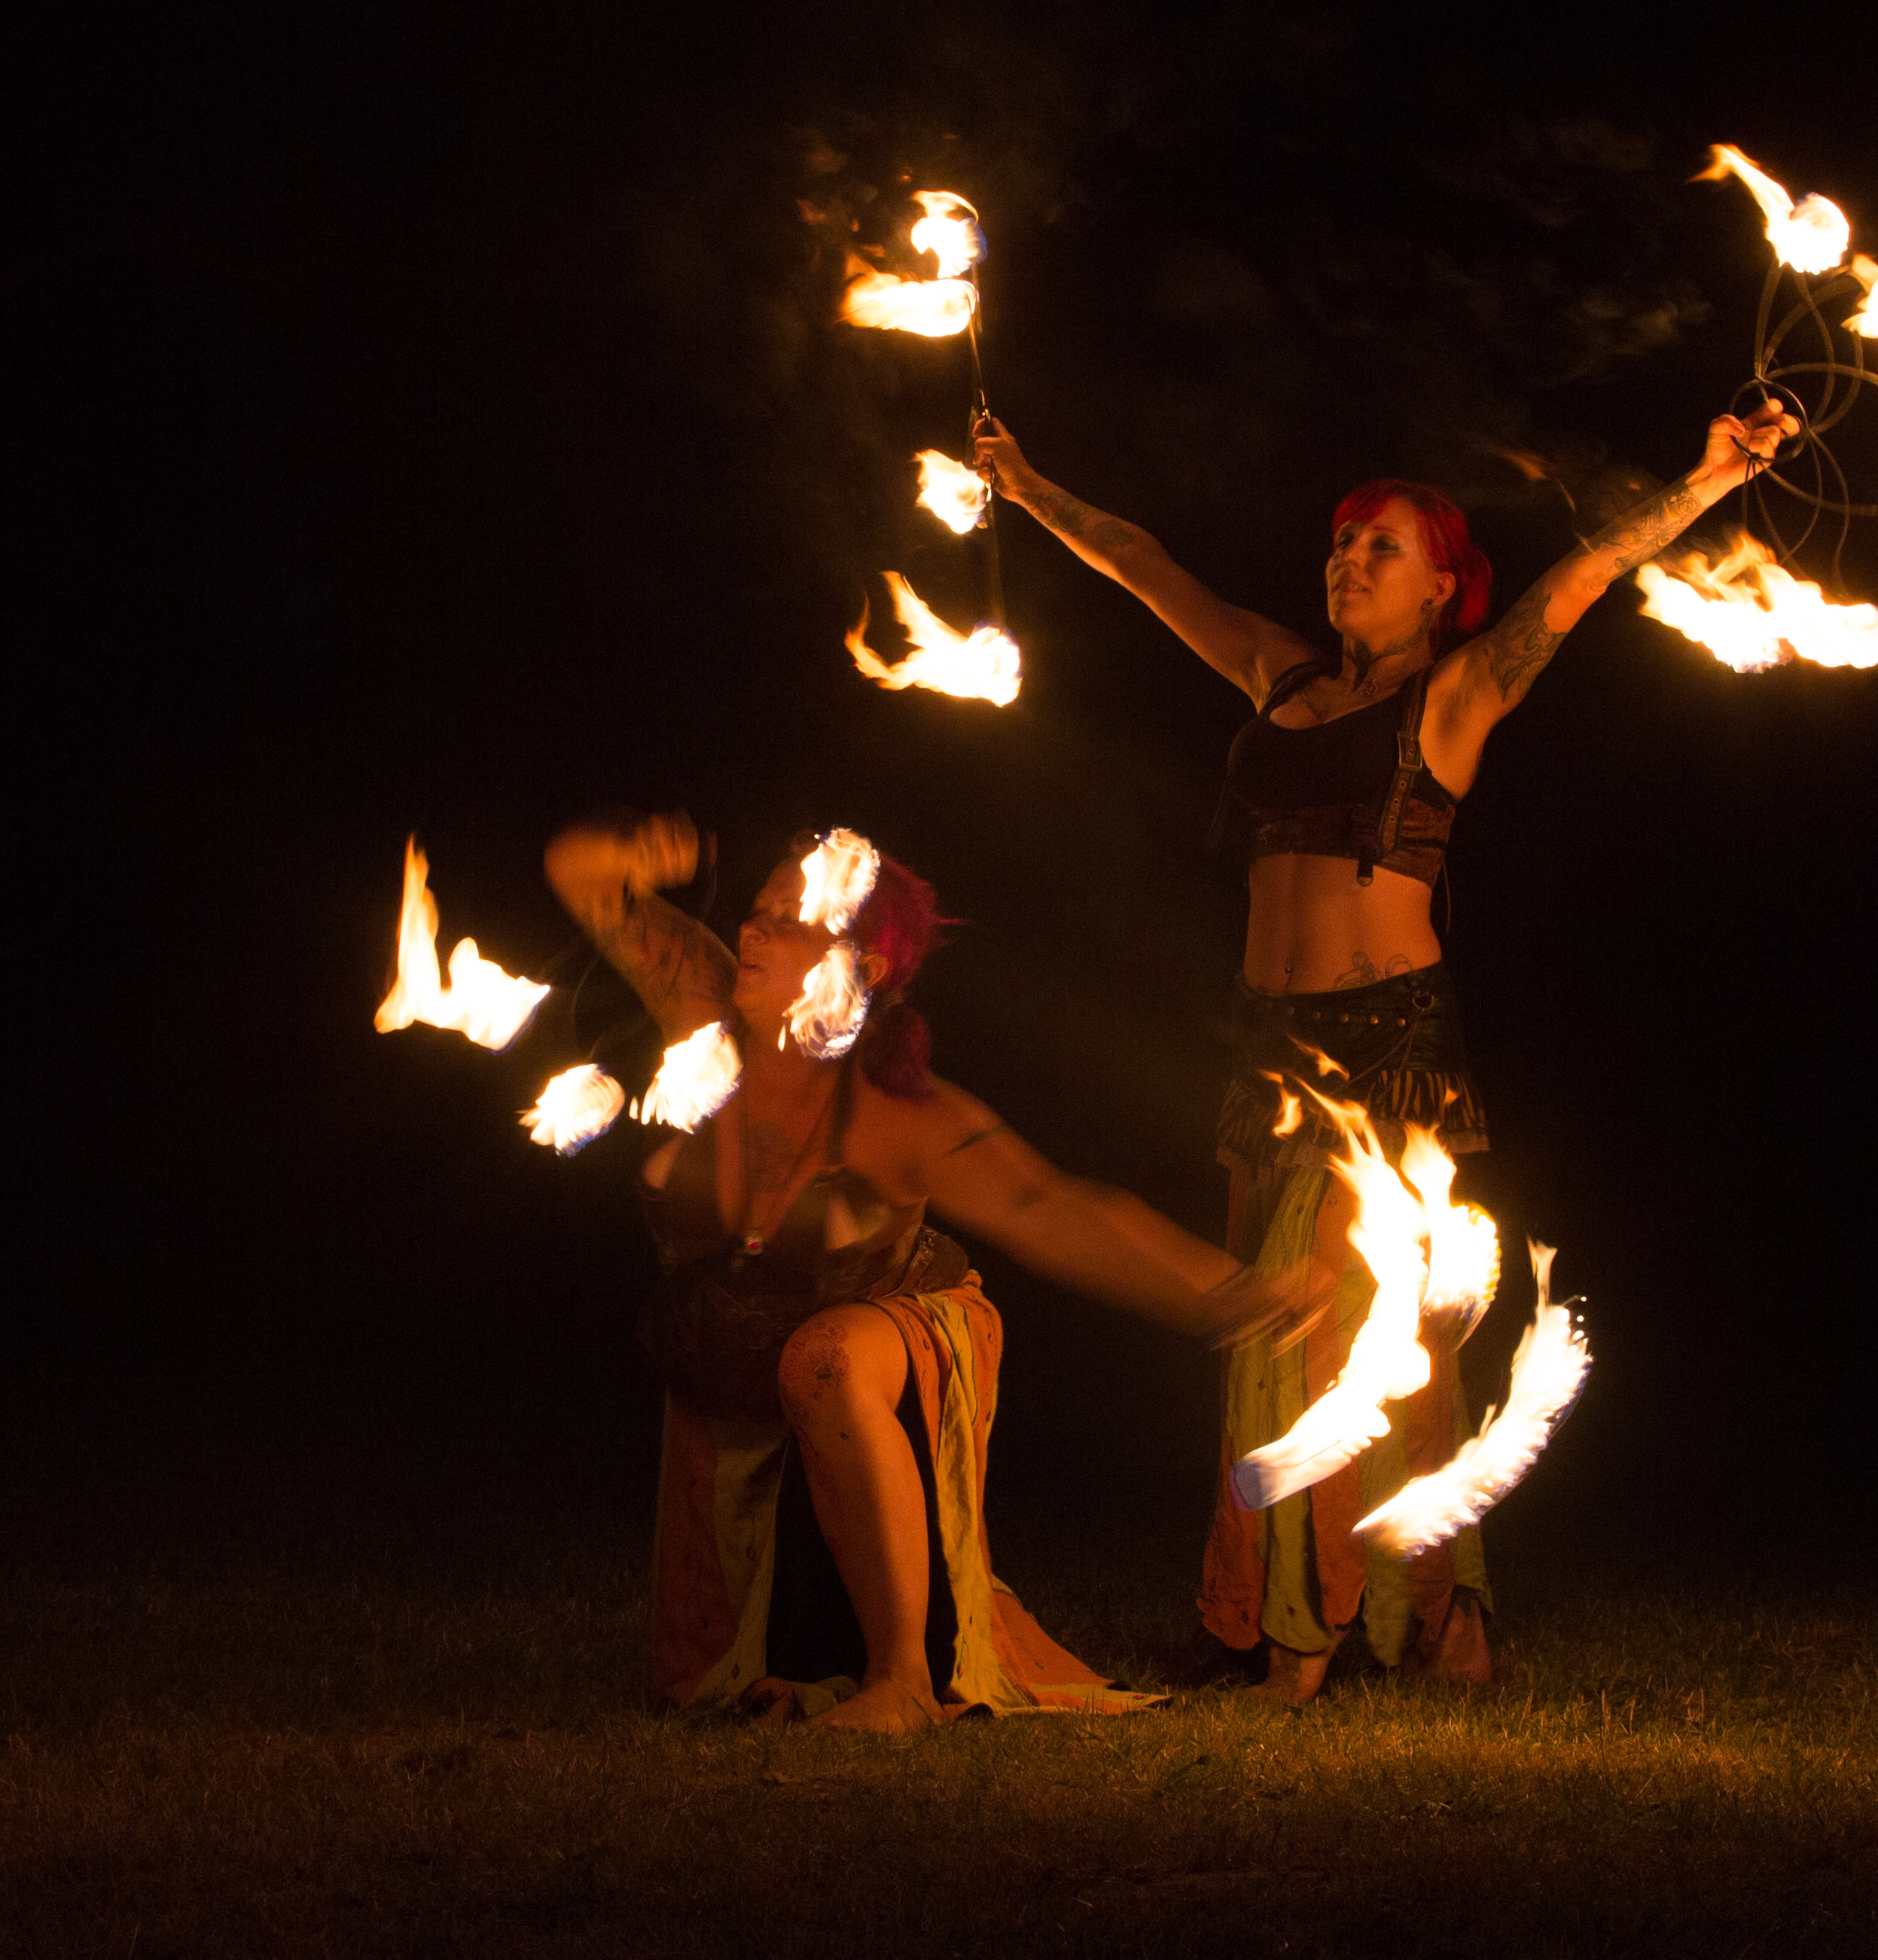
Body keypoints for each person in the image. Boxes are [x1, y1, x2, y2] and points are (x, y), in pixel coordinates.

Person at [967, 397, 1797, 1699]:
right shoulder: (1280, 676)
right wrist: (1024, 483)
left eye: (1383, 548)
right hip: (1266, 1050)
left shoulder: (1458, 695)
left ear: (1443, 590)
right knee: (1280, 1325)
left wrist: (1706, 483)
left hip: (1387, 1051)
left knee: (1331, 1336)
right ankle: (1350, 1615)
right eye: (1344, 540)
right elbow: (1142, 564)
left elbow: (1586, 576)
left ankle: (1318, 1636)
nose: (1349, 560)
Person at [544, 814, 1318, 1736]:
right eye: (758, 910)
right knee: (708, 1675)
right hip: (737, 1380)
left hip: (884, 1339)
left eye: (793, 920)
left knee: (824, 1357)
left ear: (864, 968)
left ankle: (902, 1679)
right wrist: (636, 857)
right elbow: (580, 872)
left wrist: (1235, 1297)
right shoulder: (702, 1013)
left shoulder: (896, 1115)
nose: (752, 930)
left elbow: (1055, 1210)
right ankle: (807, 1642)